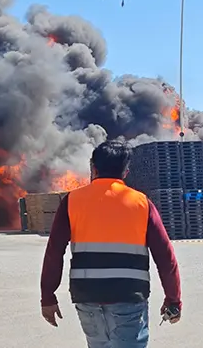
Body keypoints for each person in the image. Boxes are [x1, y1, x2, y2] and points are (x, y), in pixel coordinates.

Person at [40, 140, 182, 347]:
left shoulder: (71, 201)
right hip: (128, 297)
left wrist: (47, 296)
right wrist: (173, 299)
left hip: (86, 297)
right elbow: (165, 257)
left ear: (94, 168)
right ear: (125, 172)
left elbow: (54, 252)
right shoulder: (142, 203)